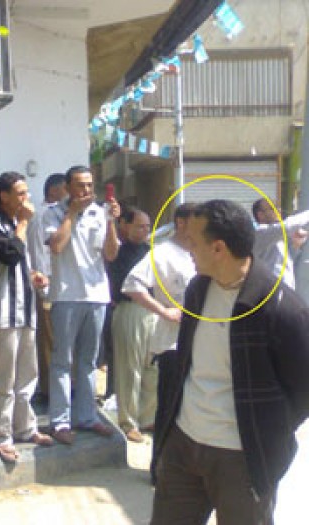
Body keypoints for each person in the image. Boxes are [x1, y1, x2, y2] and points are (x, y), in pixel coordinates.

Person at [150, 200, 309, 525]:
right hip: (183, 444)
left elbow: (303, 391)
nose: (188, 248)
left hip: (242, 458)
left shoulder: (281, 308)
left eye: (193, 241)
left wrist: (264, 432)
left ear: (218, 248)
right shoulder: (198, 290)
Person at [0, 172, 55, 463]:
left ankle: (25, 428)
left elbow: (18, 264)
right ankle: (0, 435)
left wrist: (34, 276)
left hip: (26, 311)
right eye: (20, 193)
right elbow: (9, 255)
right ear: (4, 196)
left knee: (27, 375)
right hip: (2, 314)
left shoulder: (14, 225)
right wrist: (23, 223)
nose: (26, 198)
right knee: (3, 378)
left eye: (26, 192)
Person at [43, 165, 120, 444]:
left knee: (89, 361)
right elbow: (56, 246)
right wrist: (72, 213)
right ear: (67, 187)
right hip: (66, 295)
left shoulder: (100, 212)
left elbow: (111, 254)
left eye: (89, 185)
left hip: (97, 295)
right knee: (62, 361)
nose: (86, 190)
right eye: (80, 185)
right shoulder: (53, 212)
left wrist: (111, 222)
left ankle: (87, 416)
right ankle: (60, 421)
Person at [121, 203, 196, 481]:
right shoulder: (163, 253)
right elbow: (132, 285)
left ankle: (185, 469)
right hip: (172, 343)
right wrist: (164, 311)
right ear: (181, 223)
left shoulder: (201, 251)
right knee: (169, 407)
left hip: (200, 341)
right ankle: (160, 469)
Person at [108, 207, 154, 443]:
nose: (144, 231)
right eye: (139, 226)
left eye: (147, 227)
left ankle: (148, 416)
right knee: (129, 369)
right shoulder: (118, 251)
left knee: (152, 367)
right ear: (124, 225)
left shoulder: (150, 251)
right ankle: (128, 421)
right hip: (128, 309)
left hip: (153, 311)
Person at [26, 173, 67, 401]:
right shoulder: (43, 215)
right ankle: (50, 390)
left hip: (65, 288)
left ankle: (61, 388)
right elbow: (39, 253)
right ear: (53, 191)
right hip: (48, 286)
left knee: (60, 340)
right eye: (67, 189)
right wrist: (45, 283)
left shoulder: (62, 214)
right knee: (49, 341)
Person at [251, 197, 309, 288]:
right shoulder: (260, 232)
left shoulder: (276, 235)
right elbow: (287, 226)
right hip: (271, 289)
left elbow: (284, 262)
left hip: (284, 289)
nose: (279, 210)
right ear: (260, 215)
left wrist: (296, 245)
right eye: (273, 208)